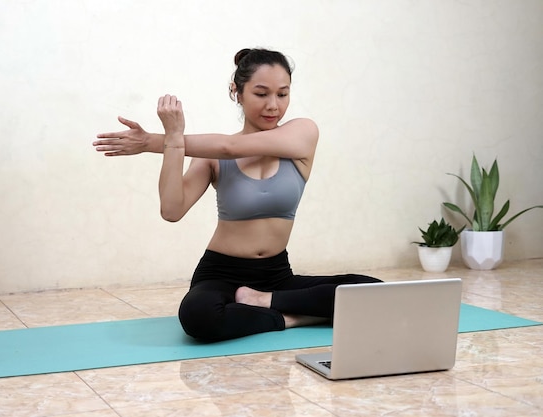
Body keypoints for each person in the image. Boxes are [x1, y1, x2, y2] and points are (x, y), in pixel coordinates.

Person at [93, 48, 381, 341]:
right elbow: (171, 210)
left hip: (276, 276)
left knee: (374, 291)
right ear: (237, 92)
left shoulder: (302, 133)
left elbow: (231, 148)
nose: (273, 106)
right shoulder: (210, 157)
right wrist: (173, 142)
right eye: (261, 94)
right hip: (220, 273)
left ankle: (264, 303)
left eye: (282, 94)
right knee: (199, 317)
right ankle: (290, 316)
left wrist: (153, 141)